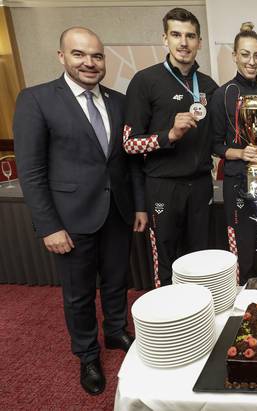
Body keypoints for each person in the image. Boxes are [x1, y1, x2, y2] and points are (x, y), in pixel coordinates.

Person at [13, 27, 147, 395]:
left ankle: (116, 330)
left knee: (117, 279)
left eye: (97, 56)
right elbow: (32, 170)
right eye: (79, 54)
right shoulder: (36, 100)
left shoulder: (119, 102)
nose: (89, 62)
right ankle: (88, 354)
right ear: (62, 57)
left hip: (118, 212)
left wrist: (138, 205)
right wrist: (48, 226)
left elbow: (129, 162)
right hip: (71, 219)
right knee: (79, 293)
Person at [122, 8, 218, 287]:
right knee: (166, 257)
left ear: (199, 41)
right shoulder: (145, 81)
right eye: (176, 35)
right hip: (163, 185)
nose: (183, 42)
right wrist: (169, 136)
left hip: (200, 184)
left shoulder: (210, 86)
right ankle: (168, 321)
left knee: (201, 258)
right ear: (165, 39)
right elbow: (129, 144)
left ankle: (199, 319)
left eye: (190, 36)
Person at [209, 22, 257, 284]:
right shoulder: (222, 94)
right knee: (243, 250)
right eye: (245, 54)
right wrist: (242, 154)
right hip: (237, 181)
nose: (252, 61)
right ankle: (241, 310)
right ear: (234, 56)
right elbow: (214, 145)